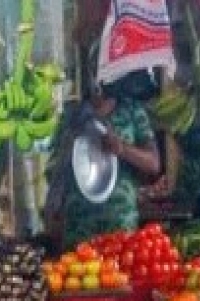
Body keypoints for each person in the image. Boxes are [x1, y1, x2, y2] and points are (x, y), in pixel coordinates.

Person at [45, 56, 161, 251]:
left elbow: (153, 164)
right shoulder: (72, 114)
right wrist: (71, 141)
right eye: (97, 69)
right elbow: (52, 170)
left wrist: (122, 149)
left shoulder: (132, 110)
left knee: (120, 279)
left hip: (120, 222)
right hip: (78, 224)